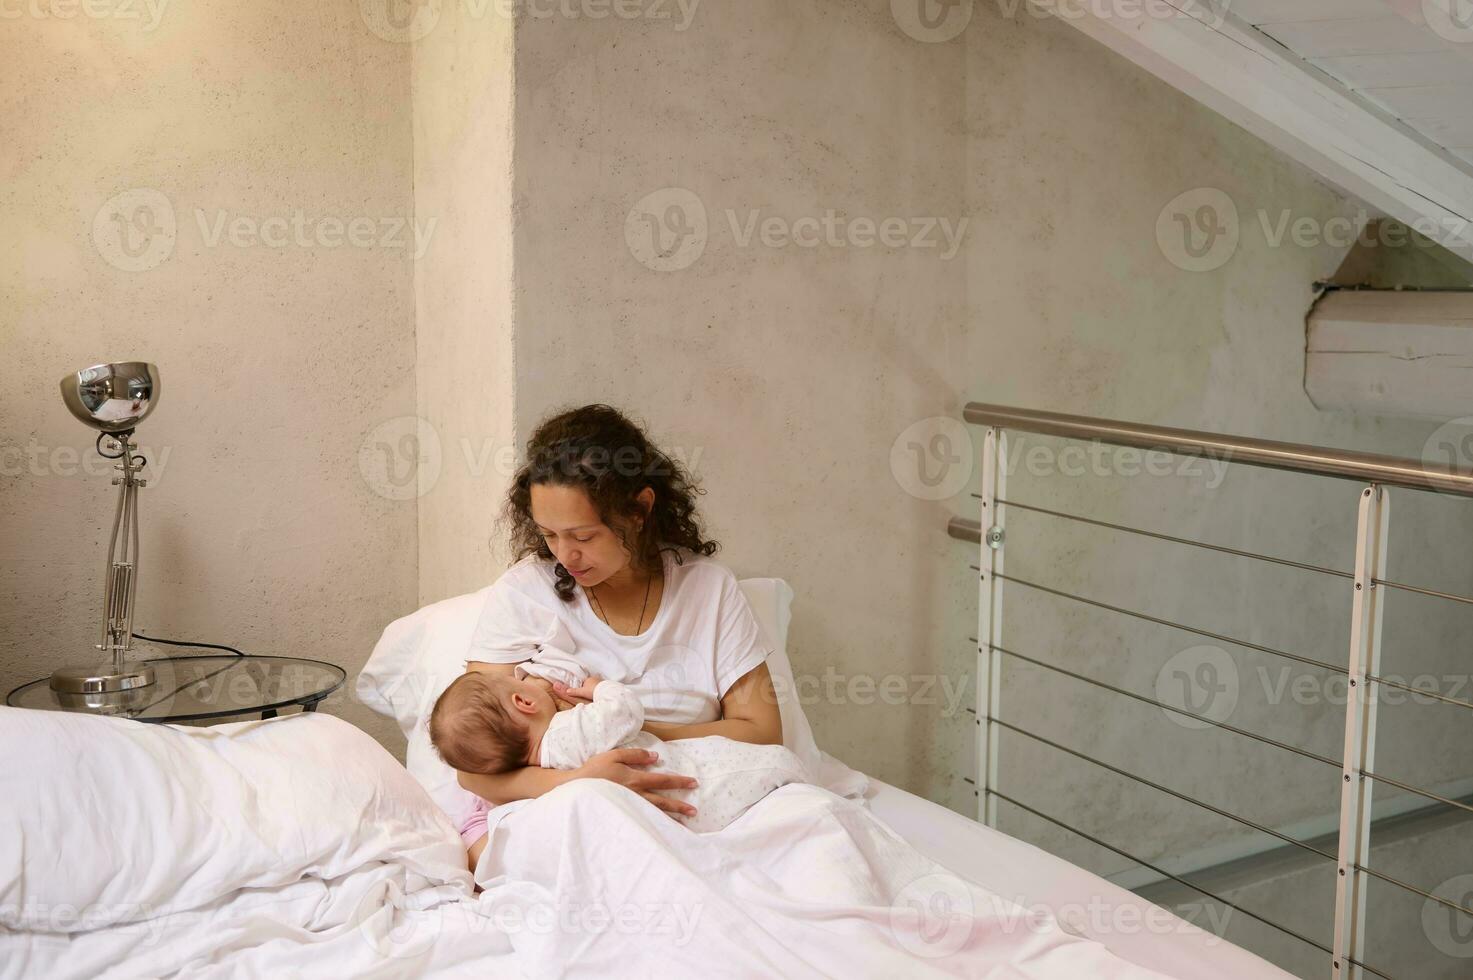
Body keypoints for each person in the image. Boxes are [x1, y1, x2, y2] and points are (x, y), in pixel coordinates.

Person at [453, 404, 784, 871]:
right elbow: (472, 768)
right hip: (569, 807)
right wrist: (584, 776)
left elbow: (762, 733)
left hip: (702, 805)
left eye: (583, 536)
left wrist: (617, 731)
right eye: (549, 535)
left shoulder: (708, 589)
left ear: (640, 509)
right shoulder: (525, 592)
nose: (566, 555)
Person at [431, 670, 805, 833]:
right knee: (761, 765)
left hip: (674, 817)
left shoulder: (536, 769)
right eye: (521, 679)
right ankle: (790, 777)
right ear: (522, 701)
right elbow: (625, 712)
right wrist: (598, 689)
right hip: (684, 782)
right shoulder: (566, 733)